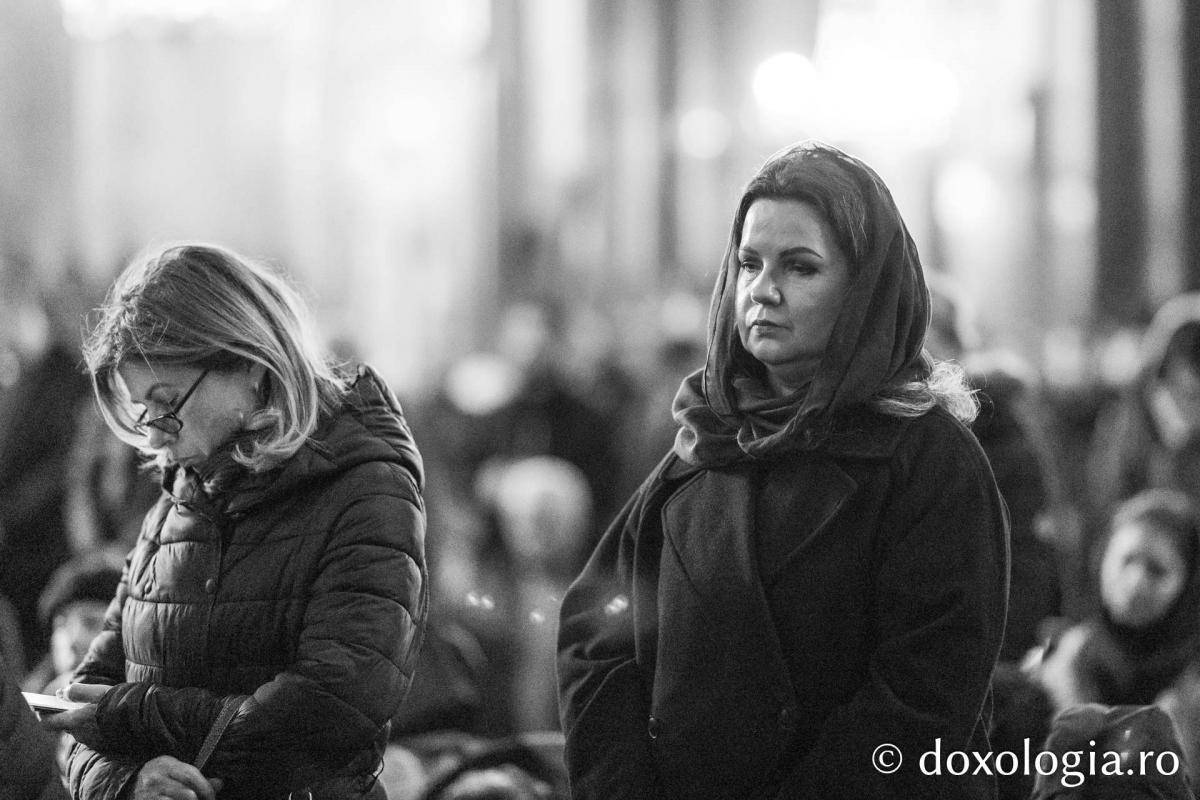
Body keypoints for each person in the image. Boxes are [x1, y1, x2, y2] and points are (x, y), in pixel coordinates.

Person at [556, 141, 1010, 799]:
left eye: (800, 267)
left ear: (863, 288)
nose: (762, 291)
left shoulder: (928, 459)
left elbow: (926, 692)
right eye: (749, 263)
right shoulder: (705, 445)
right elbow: (597, 637)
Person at [42, 243, 429, 800]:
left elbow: (327, 711)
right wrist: (128, 783)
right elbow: (82, 704)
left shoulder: (365, 488)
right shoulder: (178, 502)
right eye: (142, 410)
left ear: (250, 364)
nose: (154, 434)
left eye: (167, 402)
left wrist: (130, 714)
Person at [1029, 489, 1200, 783]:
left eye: (1157, 570)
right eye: (1126, 560)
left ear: (1187, 586)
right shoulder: (1062, 666)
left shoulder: (1191, 691)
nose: (1135, 583)